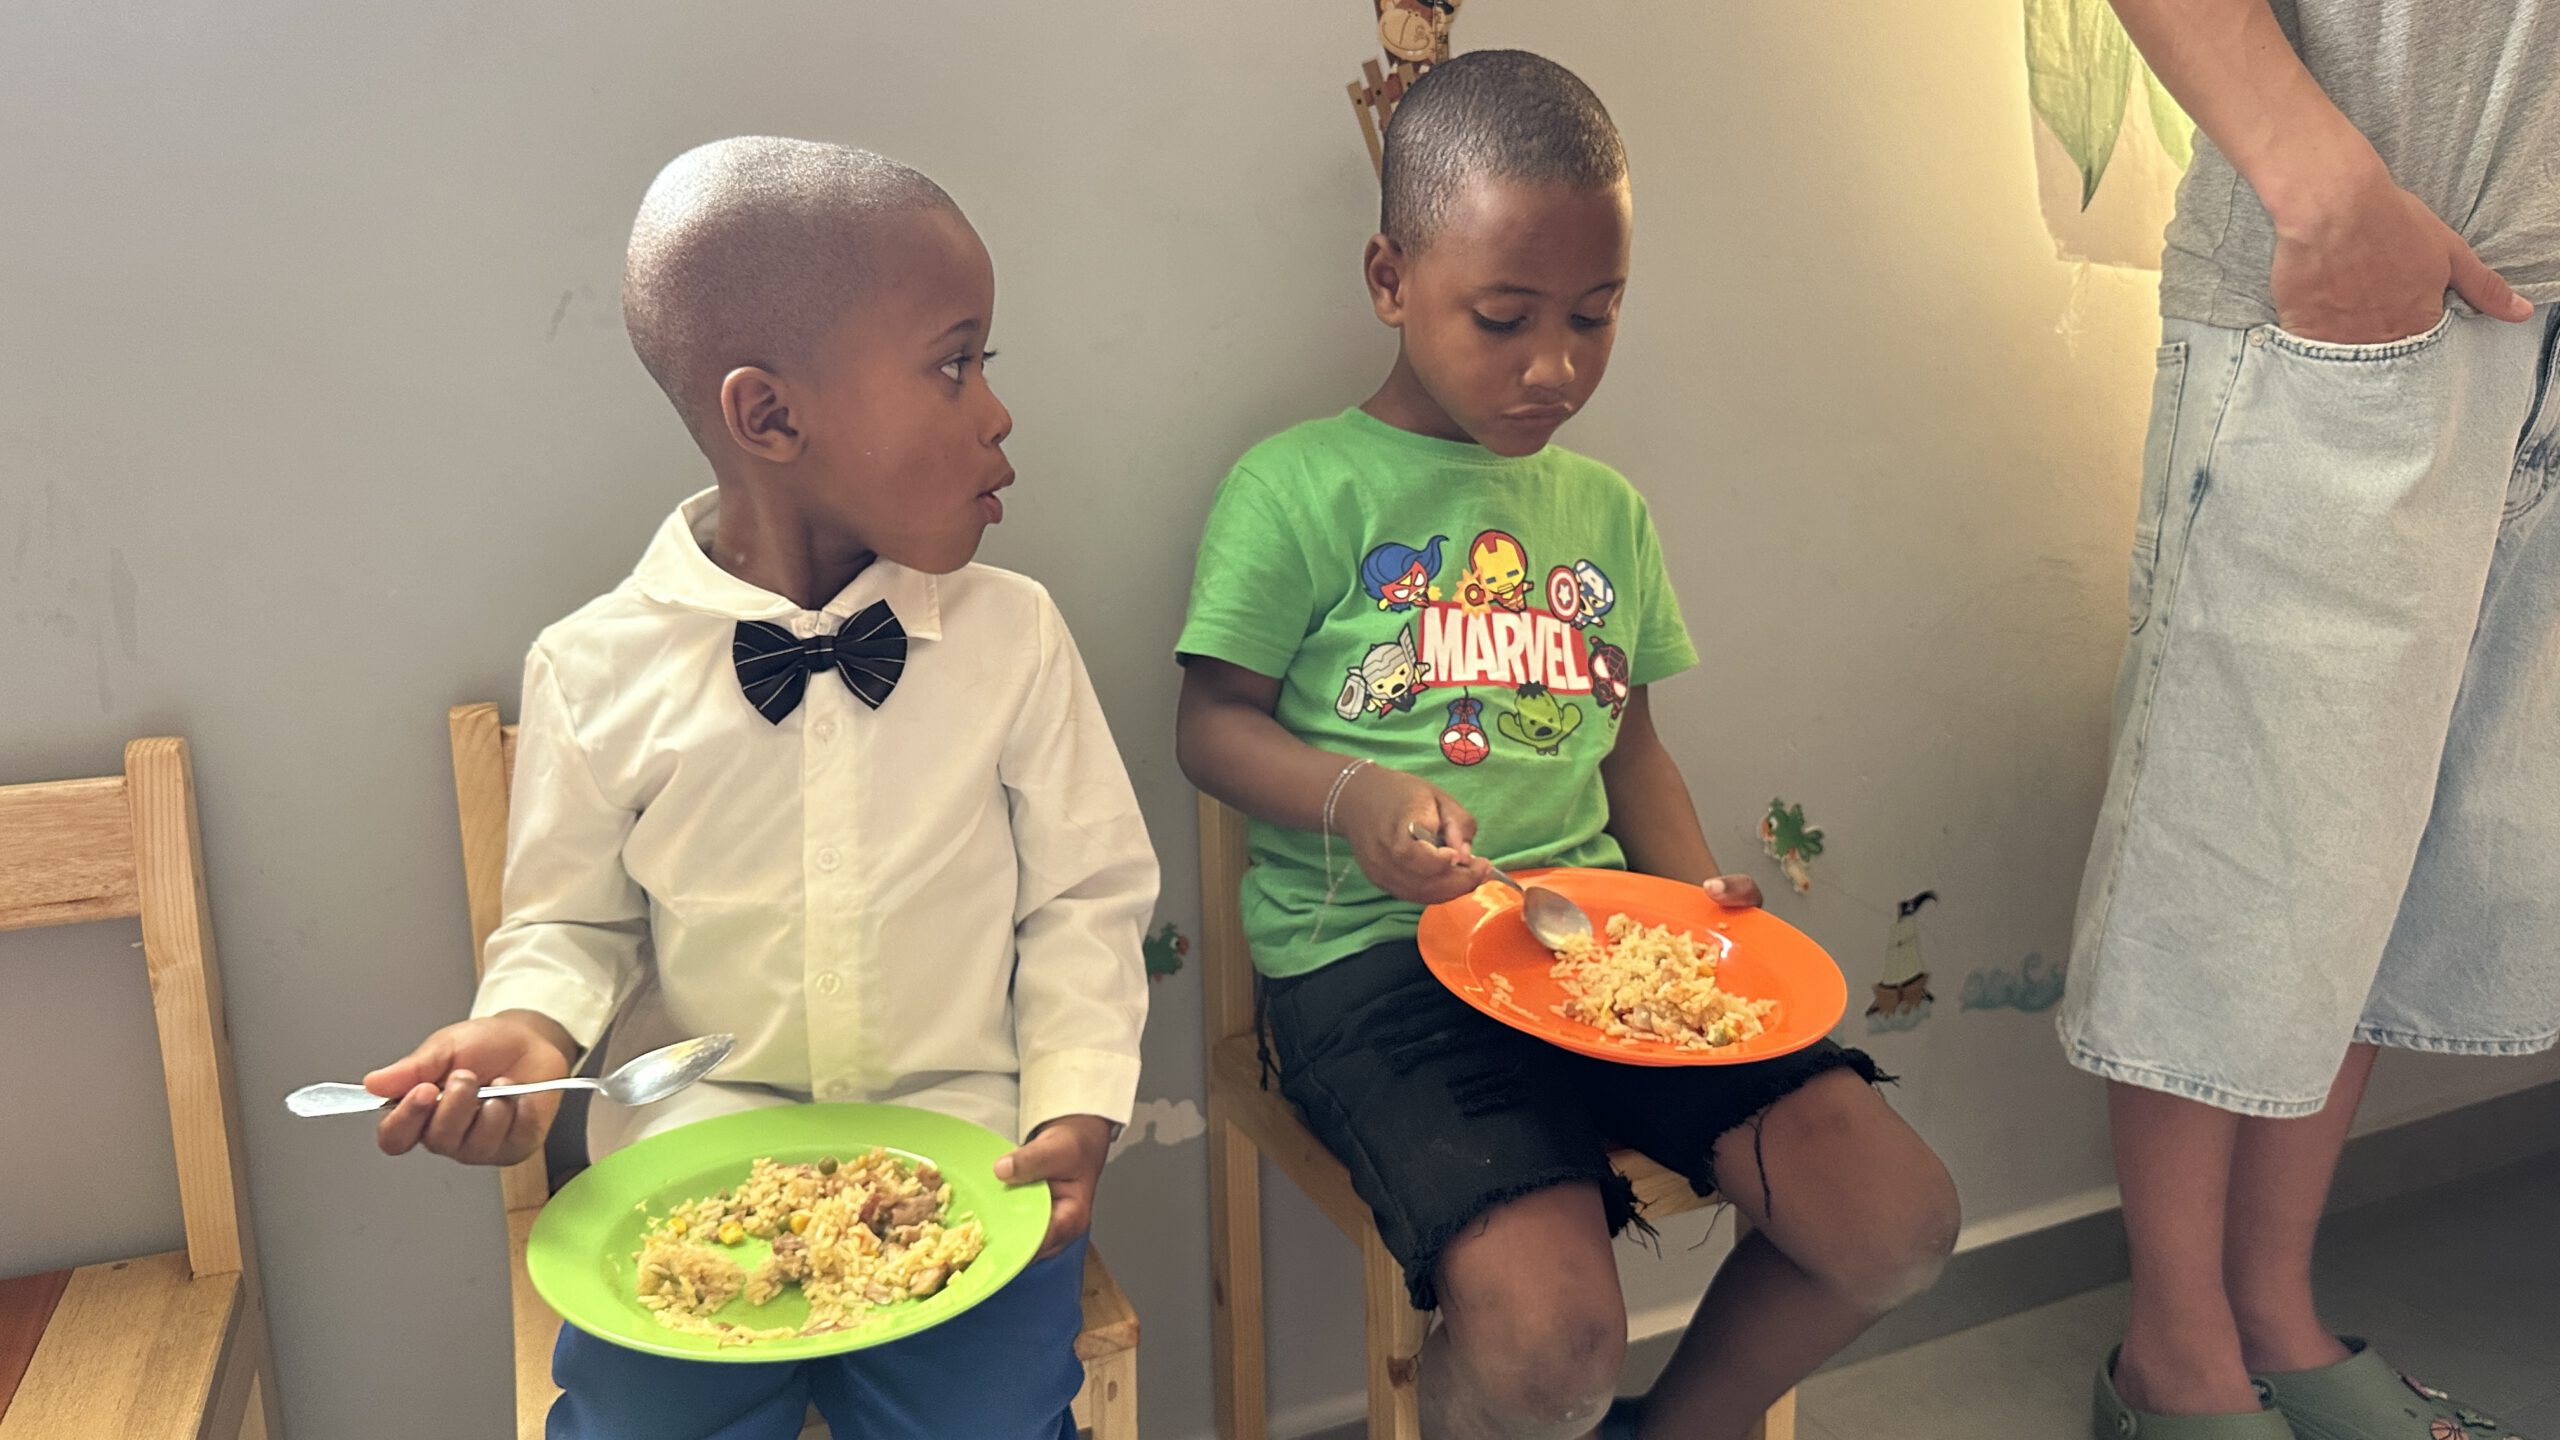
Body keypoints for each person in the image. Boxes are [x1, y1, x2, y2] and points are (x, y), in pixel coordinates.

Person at [1176, 51, 1960, 1440]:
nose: (1557, 365)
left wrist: (1699, 898)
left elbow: (1630, 753)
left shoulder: (1606, 512)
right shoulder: (1295, 487)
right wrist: (1354, 794)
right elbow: (1210, 725)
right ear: (1390, 280)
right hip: (1371, 970)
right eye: (1505, 317)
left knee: (1896, 1219)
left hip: (1596, 949)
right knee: (1552, 1345)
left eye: (1597, 317)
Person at [363, 136, 1156, 1440]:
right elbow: (572, 922)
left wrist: (1078, 1104)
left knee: (998, 1422)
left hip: (964, 1156)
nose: (997, 412)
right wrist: (530, 1038)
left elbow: (1086, 899)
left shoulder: (1015, 639)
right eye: (954, 364)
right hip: (692, 1169)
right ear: (771, 418)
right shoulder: (592, 670)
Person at [2055, 2, 2559, 1435]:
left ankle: (2273, 1311)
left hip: (2528, 303)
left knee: (2377, 859)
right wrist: (2322, 187)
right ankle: (2175, 1357)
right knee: (2239, 850)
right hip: (2355, 292)